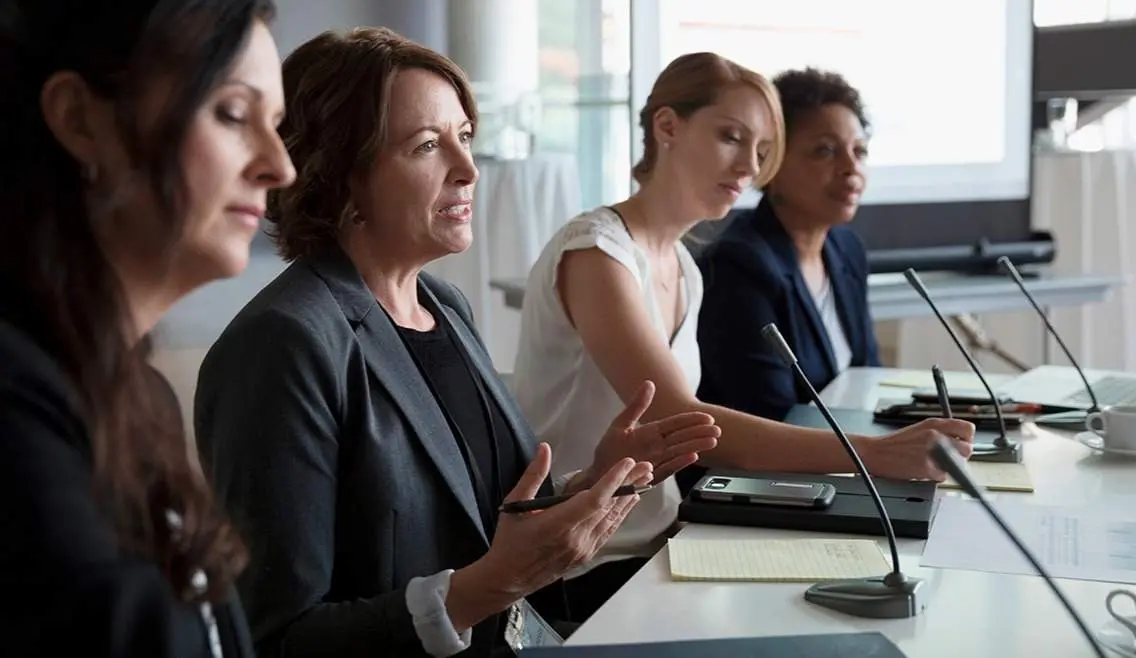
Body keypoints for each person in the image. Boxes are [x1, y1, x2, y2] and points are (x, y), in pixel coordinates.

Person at [193, 28, 720, 658]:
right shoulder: (284, 344)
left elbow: (481, 518)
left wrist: (590, 485)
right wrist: (493, 585)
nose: (468, 169)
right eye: (425, 146)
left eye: (464, 137)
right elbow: (280, 639)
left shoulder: (444, 305)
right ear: (339, 174)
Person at [511, 52, 976, 619]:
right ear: (667, 127)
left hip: (659, 544)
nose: (748, 169)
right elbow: (678, 421)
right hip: (579, 564)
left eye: (761, 152)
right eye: (731, 137)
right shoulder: (596, 251)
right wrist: (875, 455)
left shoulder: (684, 266)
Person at [0, 1, 295, 656]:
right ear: (80, 119)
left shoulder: (140, 401)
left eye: (275, 125)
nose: (281, 166)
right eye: (232, 114)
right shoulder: (17, 409)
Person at [697, 68, 879, 419]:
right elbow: (767, 412)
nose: (850, 168)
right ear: (770, 162)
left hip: (846, 453)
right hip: (770, 467)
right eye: (825, 151)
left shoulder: (847, 249)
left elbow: (869, 375)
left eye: (859, 151)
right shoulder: (739, 264)